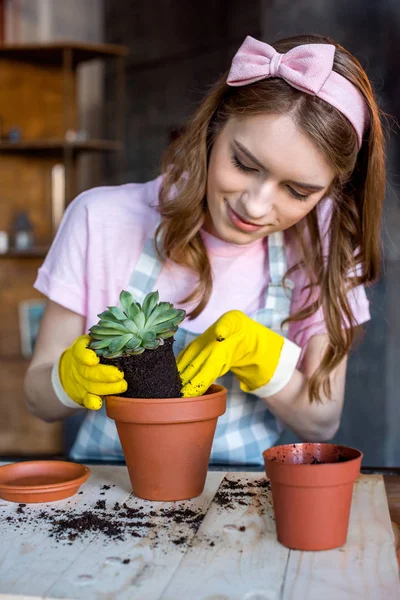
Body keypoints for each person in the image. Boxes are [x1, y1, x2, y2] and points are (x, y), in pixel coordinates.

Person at [24, 34, 386, 465]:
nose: (255, 205)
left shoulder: (320, 245)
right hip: (110, 489)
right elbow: (38, 399)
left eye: (298, 191)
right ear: (214, 128)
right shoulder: (100, 218)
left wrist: (259, 354)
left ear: (331, 190)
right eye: (244, 164)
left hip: (243, 500)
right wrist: (67, 379)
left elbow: (321, 422)